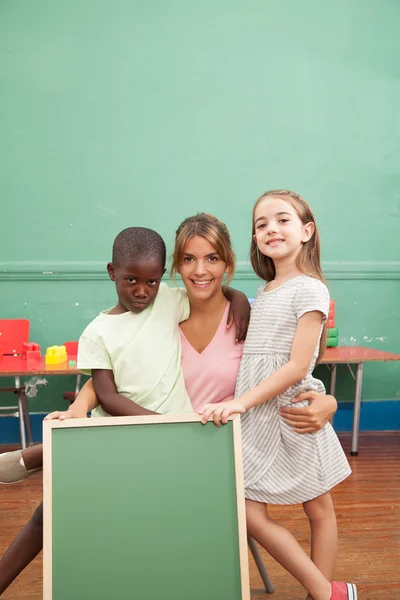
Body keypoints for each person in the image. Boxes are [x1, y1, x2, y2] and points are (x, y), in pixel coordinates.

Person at [0, 214, 339, 598]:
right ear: (176, 267)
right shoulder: (161, 309)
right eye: (189, 260)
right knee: (57, 507)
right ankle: (40, 458)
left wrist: (329, 400)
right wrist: (79, 407)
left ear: (228, 263)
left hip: (205, 450)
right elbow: (111, 374)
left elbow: (297, 363)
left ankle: (37, 457)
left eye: (212, 259)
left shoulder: (249, 316)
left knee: (75, 498)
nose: (200, 270)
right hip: (159, 438)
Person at [199, 192, 356, 600]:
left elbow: (297, 365)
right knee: (249, 510)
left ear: (306, 231)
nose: (271, 228)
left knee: (318, 506)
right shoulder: (265, 291)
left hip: (289, 412)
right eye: (261, 224)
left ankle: (318, 594)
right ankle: (326, 590)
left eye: (282, 220)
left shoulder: (311, 290)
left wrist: (241, 401)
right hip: (257, 417)